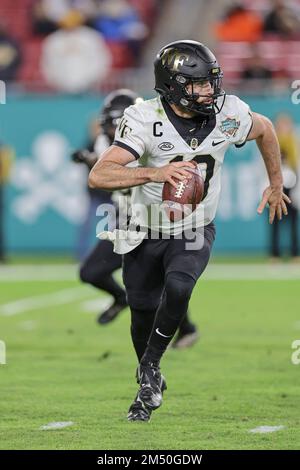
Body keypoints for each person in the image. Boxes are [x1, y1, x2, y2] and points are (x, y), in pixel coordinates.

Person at [88, 40, 290, 422]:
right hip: (143, 229)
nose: (210, 91)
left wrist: (275, 183)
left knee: (180, 286)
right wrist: (155, 171)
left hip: (194, 226)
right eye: (199, 84)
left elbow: (264, 130)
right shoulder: (145, 118)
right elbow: (100, 174)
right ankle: (149, 375)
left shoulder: (230, 113)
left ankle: (149, 366)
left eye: (212, 82)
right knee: (142, 312)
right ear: (174, 85)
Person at [74, 89, 199, 348]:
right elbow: (106, 170)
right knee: (91, 272)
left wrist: (92, 163)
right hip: (126, 222)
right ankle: (122, 299)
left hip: (155, 220)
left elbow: (125, 174)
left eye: (119, 124)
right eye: (111, 124)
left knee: (167, 281)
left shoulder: (148, 137)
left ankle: (185, 329)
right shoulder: (106, 142)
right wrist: (91, 161)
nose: (114, 130)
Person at [270, 113, 299, 260]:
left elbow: (296, 166)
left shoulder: (294, 143)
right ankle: (274, 254)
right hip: (276, 186)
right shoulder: (270, 142)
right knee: (274, 221)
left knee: (293, 221)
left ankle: (295, 253)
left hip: (292, 186)